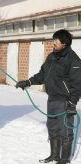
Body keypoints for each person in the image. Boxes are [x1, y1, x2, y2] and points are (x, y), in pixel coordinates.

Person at [16, 29, 81, 164]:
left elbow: (77, 84)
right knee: (52, 128)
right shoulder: (51, 56)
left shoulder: (73, 60)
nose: (53, 43)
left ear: (64, 43)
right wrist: (28, 82)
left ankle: (64, 159)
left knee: (65, 131)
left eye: (56, 40)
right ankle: (54, 155)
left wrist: (72, 103)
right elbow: (42, 75)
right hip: (51, 99)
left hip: (65, 101)